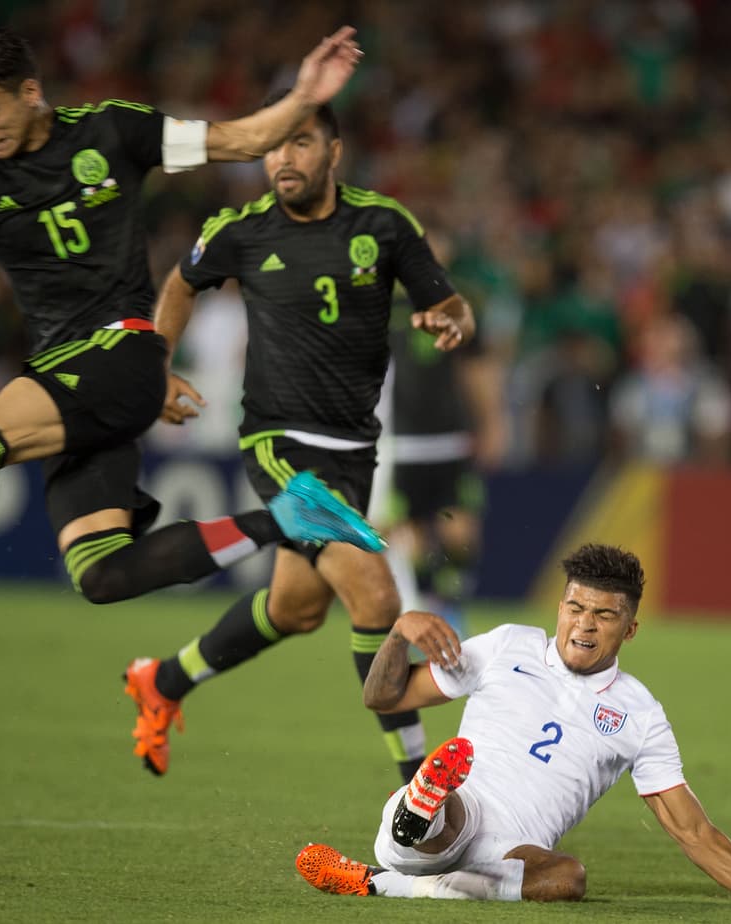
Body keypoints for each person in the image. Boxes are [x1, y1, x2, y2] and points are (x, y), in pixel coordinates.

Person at [0, 25, 384, 650]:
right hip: (72, 379)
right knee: (102, 573)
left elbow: (238, 141)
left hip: (123, 350)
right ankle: (290, 519)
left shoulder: (113, 130)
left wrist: (302, 96)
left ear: (30, 91)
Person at [122, 92, 476, 781]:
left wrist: (452, 318)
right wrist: (156, 365)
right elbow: (182, 283)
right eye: (273, 146)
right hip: (278, 445)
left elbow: (448, 299)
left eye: (300, 144)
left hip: (355, 450)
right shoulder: (240, 230)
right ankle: (422, 794)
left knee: (294, 608)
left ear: (333, 153)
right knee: (377, 597)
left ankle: (163, 680)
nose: (282, 159)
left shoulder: (384, 224)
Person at [295, 543, 731, 906]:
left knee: (570, 878)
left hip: (512, 856)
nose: (584, 624)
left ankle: (379, 882)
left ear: (630, 628)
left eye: (604, 615)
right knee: (452, 813)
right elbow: (383, 697)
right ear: (560, 607)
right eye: (575, 607)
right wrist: (398, 633)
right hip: (457, 814)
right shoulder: (507, 645)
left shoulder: (640, 713)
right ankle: (425, 804)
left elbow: (692, 830)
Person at [382, 229, 506, 637]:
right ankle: (429, 609)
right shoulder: (381, 302)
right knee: (411, 529)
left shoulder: (458, 302)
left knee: (461, 528)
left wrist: (492, 421)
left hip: (450, 436)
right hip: (399, 439)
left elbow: (478, 368)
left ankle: (448, 605)